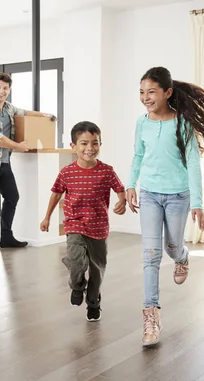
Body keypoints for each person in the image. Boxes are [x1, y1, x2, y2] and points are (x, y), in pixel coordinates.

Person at [126, 66, 204, 346]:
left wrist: (199, 203)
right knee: (151, 255)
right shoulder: (141, 123)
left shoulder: (183, 124)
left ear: (167, 93)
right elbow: (137, 155)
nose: (145, 97)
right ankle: (151, 316)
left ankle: (181, 257)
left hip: (179, 195)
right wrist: (131, 184)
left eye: (151, 91)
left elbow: (193, 162)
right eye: (142, 92)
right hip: (150, 195)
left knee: (171, 247)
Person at [40, 121, 126, 322]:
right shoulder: (67, 172)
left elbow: (119, 188)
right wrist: (47, 217)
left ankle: (94, 302)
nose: (90, 148)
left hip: (98, 227)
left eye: (94, 143)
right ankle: (77, 285)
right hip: (75, 224)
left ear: (100, 144)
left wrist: (122, 201)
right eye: (84, 143)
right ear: (73, 146)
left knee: (97, 269)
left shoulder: (107, 171)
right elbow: (56, 194)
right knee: (77, 261)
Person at [0, 72, 55, 253]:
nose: (1, 91)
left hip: (3, 162)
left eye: (5, 88)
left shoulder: (8, 108)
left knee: (12, 197)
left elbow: (25, 112)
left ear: (9, 90)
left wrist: (45, 115)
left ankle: (7, 237)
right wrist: (18, 146)